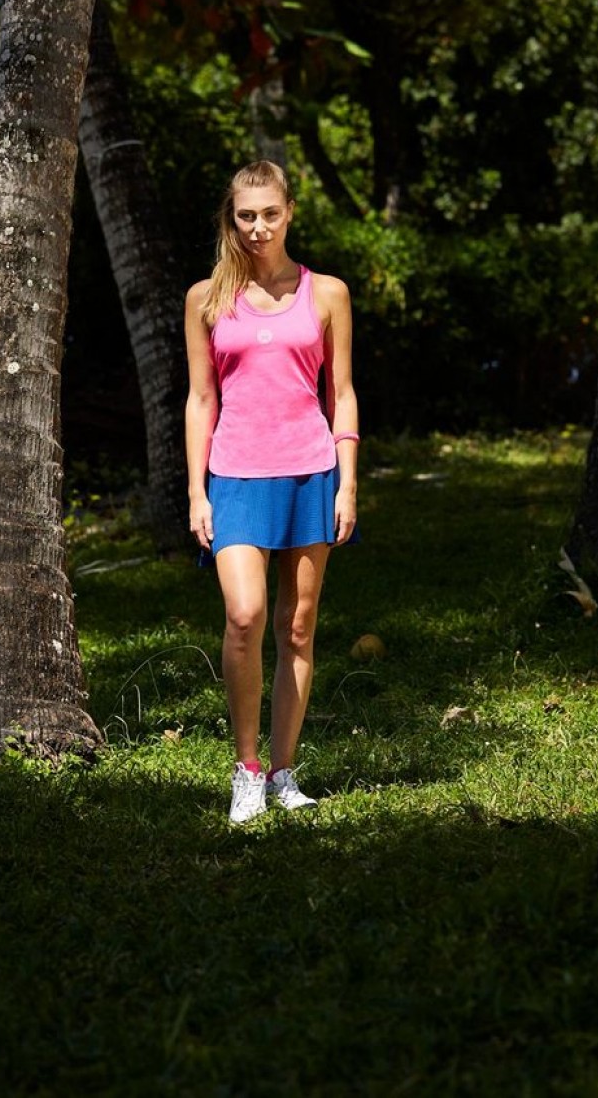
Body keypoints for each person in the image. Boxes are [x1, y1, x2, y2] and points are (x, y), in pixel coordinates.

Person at [184, 159, 359, 824]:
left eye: (270, 214)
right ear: (230, 220)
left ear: (289, 214)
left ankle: (284, 772)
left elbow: (341, 393)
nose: (258, 228)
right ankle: (247, 769)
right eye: (246, 216)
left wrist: (347, 482)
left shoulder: (327, 293)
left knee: (297, 625)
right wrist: (197, 491)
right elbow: (201, 399)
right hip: (233, 477)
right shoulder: (206, 299)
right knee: (244, 615)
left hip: (310, 473)